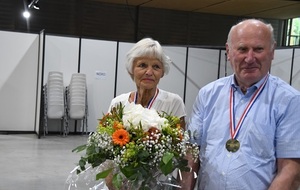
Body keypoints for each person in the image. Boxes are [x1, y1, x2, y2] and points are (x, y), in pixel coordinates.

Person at [182, 19, 300, 190]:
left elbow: (290, 170)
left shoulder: (290, 101)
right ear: (229, 52)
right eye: (242, 49)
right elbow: (191, 154)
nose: (250, 58)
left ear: (272, 51)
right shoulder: (208, 95)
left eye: (258, 49)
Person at [109, 37, 186, 128]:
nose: (149, 72)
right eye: (142, 65)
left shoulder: (173, 103)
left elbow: (179, 139)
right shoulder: (118, 103)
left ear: (162, 72)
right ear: (131, 70)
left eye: (156, 66)